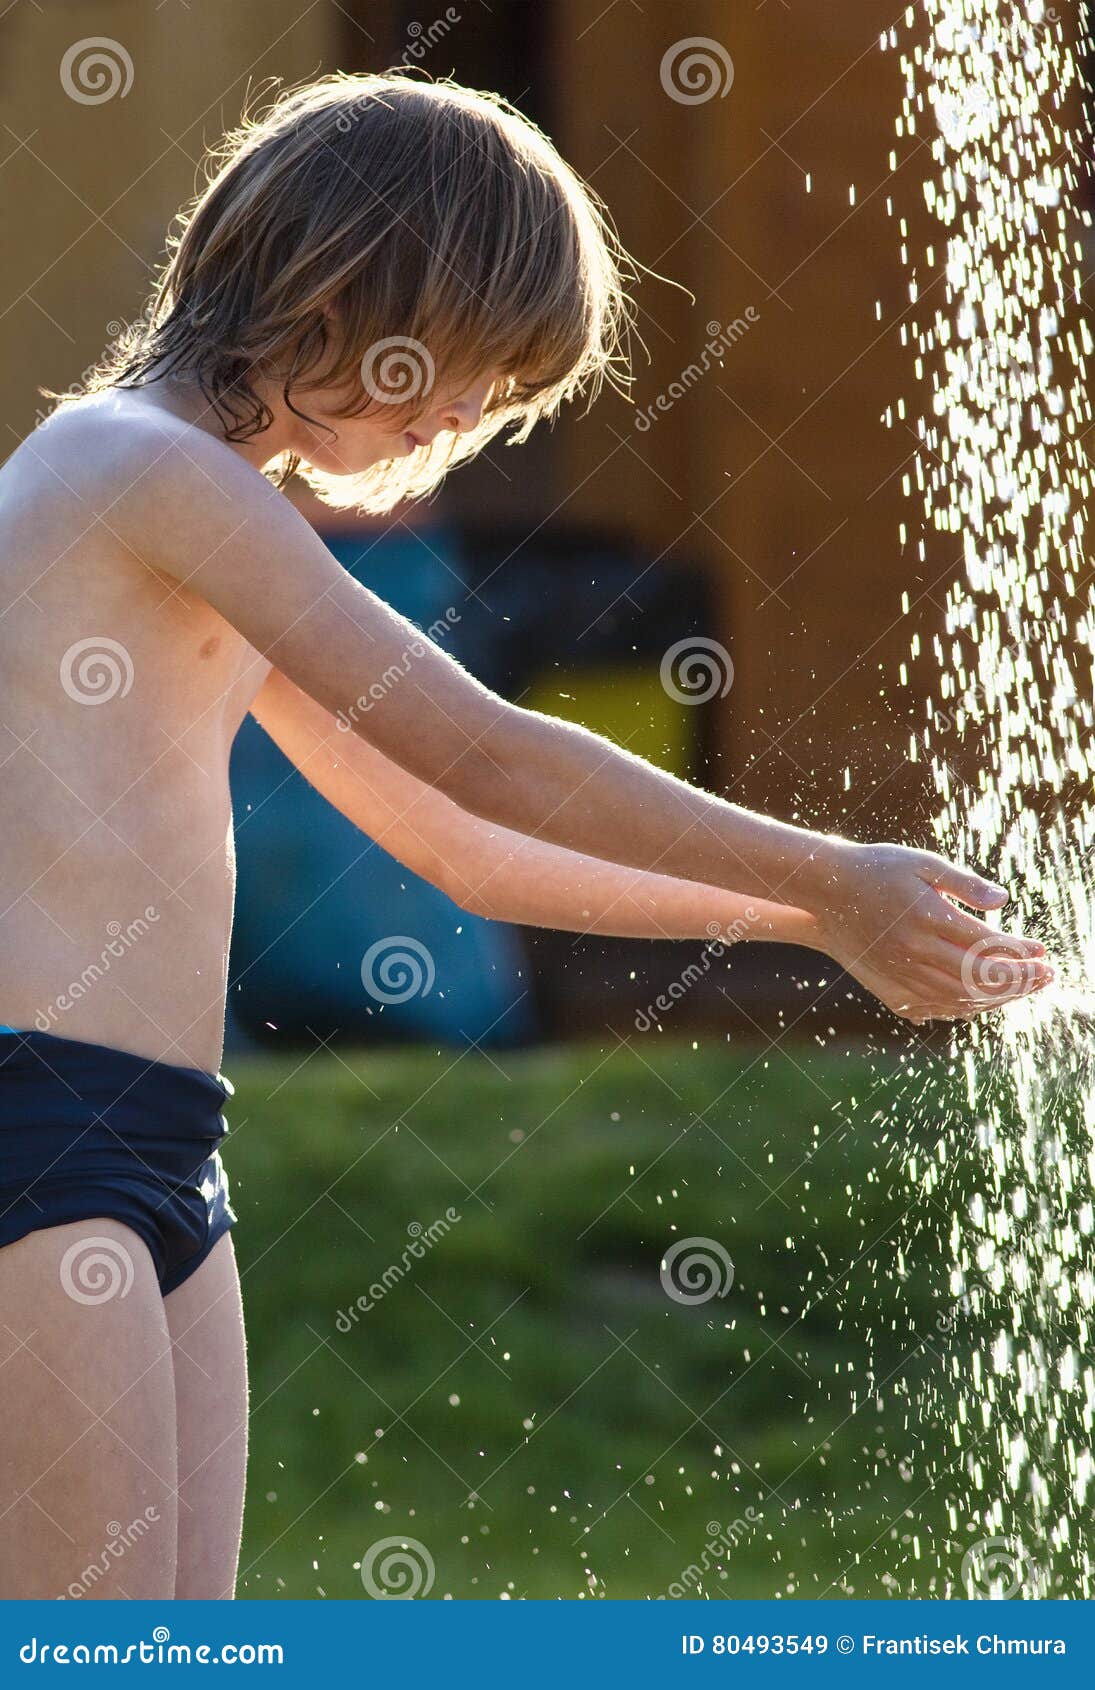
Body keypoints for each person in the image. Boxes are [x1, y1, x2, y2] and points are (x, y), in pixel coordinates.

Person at [0, 71, 1050, 1600]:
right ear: (351, 288)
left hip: (163, 1144)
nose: (465, 427)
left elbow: (457, 843)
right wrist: (829, 868)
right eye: (463, 376)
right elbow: (481, 750)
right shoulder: (133, 468)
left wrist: (817, 927)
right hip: (43, 1127)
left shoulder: (213, 508)